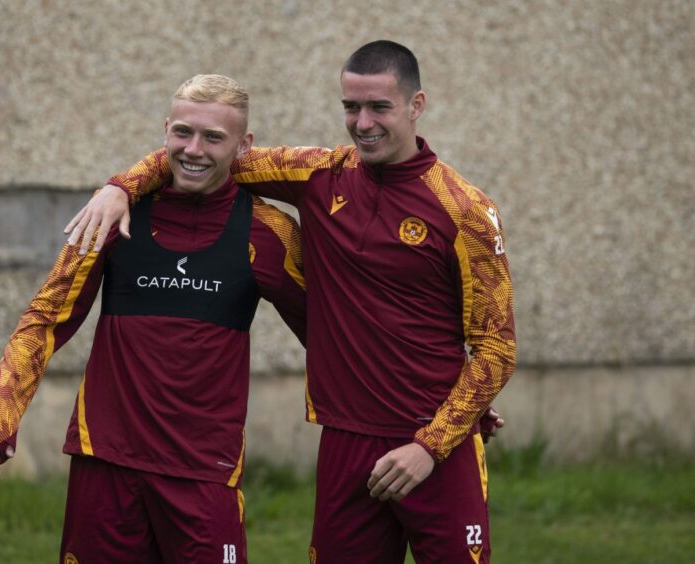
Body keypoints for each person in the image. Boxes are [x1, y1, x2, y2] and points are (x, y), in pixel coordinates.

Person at [65, 40, 516, 563]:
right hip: (345, 440)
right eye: (351, 106)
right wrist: (118, 187)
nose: (362, 122)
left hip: (435, 449)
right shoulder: (319, 174)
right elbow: (203, 151)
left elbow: (496, 347)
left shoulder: (467, 209)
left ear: (416, 106)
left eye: (379, 107)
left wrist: (434, 442)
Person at [0, 74, 307, 564]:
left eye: (214, 137)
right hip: (105, 460)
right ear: (165, 131)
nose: (194, 149)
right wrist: (1, 415)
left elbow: (331, 336)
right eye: (182, 132)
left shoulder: (270, 232)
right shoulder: (112, 216)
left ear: (245, 145)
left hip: (204, 470)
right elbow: (45, 319)